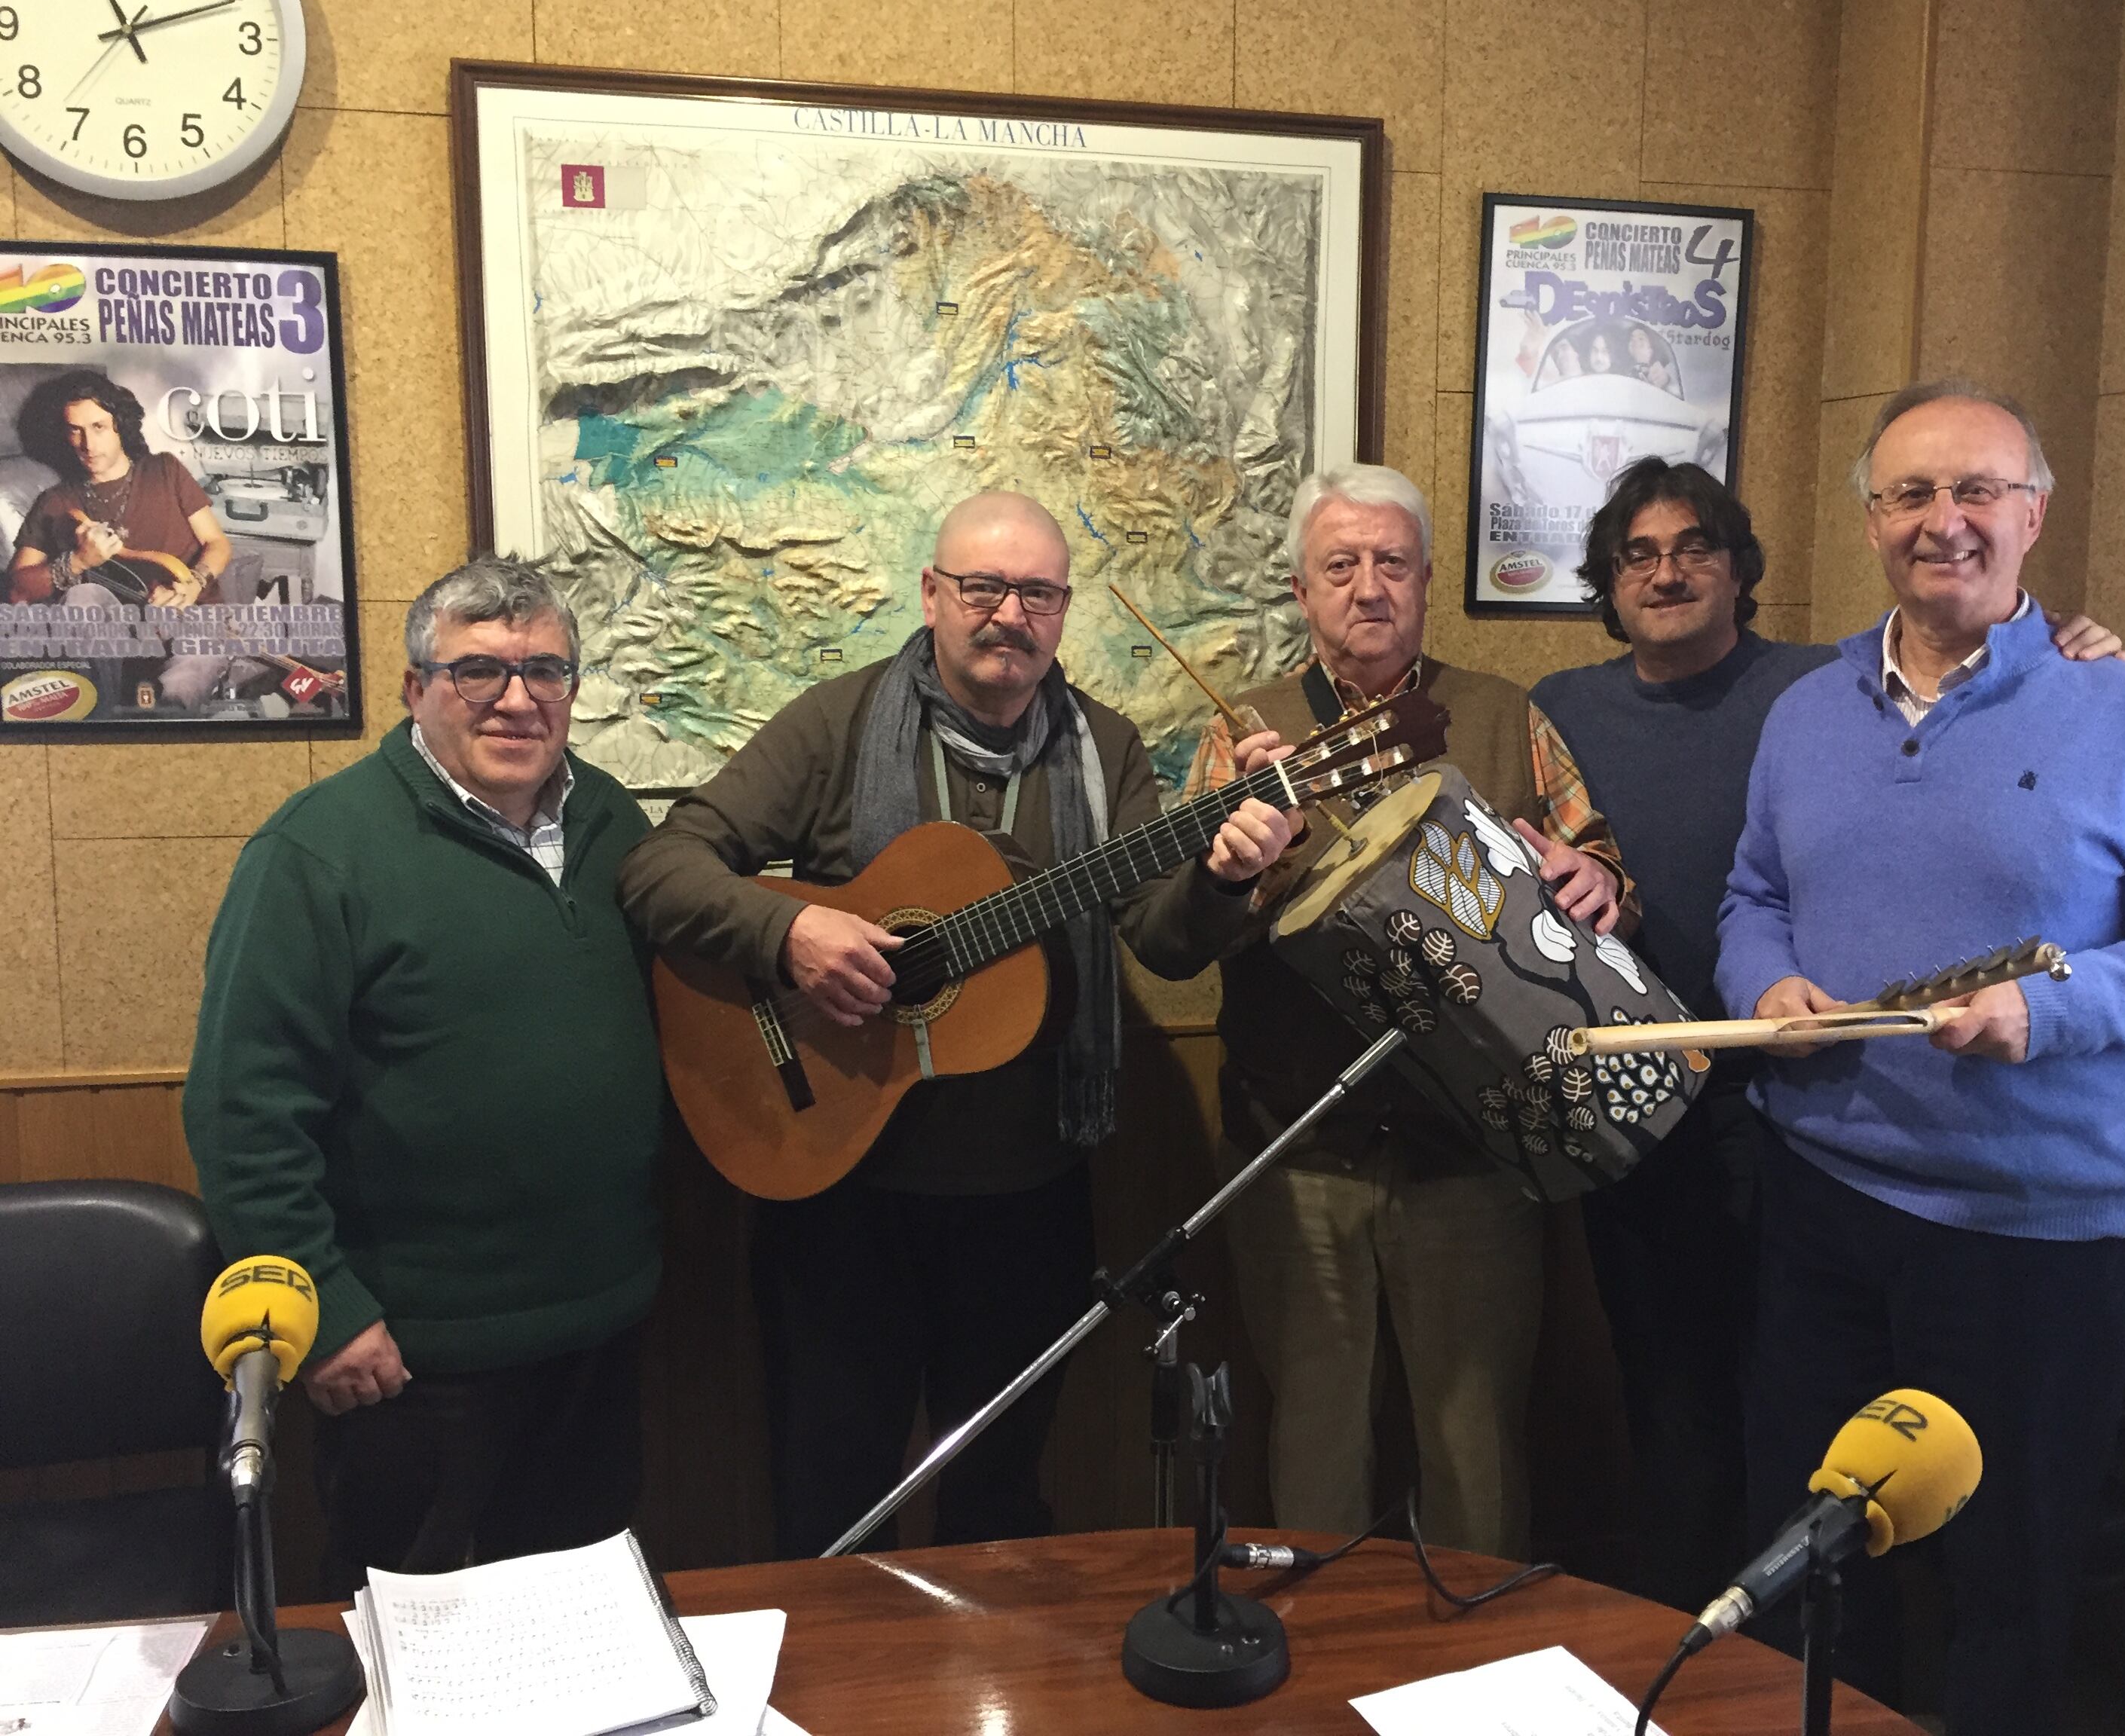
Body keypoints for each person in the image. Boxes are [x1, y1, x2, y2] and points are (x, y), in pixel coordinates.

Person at [1717, 379, 2125, 1734]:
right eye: (1910, 493)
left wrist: (2047, 1009)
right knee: (1809, 1578)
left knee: (2003, 1595)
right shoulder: (1804, 713)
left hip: (2032, 1241)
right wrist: (1763, 981)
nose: (1943, 520)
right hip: (1822, 1207)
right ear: (1869, 520)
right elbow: (1753, 896)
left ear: (2033, 513)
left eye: (1977, 489)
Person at [618, 491, 1295, 1557]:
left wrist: (1226, 877)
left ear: (1063, 611)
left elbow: (1163, 944)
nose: (1009, 615)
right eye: (983, 587)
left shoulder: (1105, 747)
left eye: (1037, 594)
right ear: (932, 593)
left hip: (1028, 1198)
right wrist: (789, 935)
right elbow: (661, 867)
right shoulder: (836, 725)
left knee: (1000, 1504)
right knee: (832, 1498)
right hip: (840, 1193)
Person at [1530, 457, 2125, 1612]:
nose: (1667, 572)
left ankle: (1788, 1643)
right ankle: (1678, 1630)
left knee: (1796, 1399)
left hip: (1804, 1110)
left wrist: (2074, 658)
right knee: (1666, 1386)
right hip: (1636, 1102)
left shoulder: (1819, 687)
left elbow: (1972, 690)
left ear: (1738, 568)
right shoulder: (1559, 709)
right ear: (1608, 582)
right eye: (1638, 555)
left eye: (1694, 547)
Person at [185, 558, 663, 1596]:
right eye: (478, 671)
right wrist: (327, 1306)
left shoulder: (614, 822)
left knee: (582, 1619)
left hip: (599, 1329)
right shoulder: (318, 851)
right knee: (413, 1626)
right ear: (416, 689)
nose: (518, 699)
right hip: (412, 1355)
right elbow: (241, 1109)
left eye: (546, 670)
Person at [1182, 462, 1624, 1561]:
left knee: (1478, 1450)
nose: (1369, 587)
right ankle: (1316, 1651)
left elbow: (1600, 863)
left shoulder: (1504, 713)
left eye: (1392, 563)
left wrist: (1601, 880)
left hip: (1475, 1153)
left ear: (1426, 581)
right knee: (1313, 1442)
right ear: (1301, 589)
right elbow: (1181, 926)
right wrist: (1235, 868)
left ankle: (1481, 1656)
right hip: (1298, 1150)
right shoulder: (1243, 729)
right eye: (1341, 565)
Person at [8, 371, 238, 708]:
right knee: (83, 595)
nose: (87, 444)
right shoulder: (54, 502)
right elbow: (17, 590)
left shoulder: (165, 470)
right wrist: (76, 562)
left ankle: (164, 719)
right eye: (75, 430)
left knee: (184, 682)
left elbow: (217, 543)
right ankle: (100, 713)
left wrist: (194, 583)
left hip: (190, 620)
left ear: (120, 425)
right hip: (115, 644)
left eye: (98, 427)